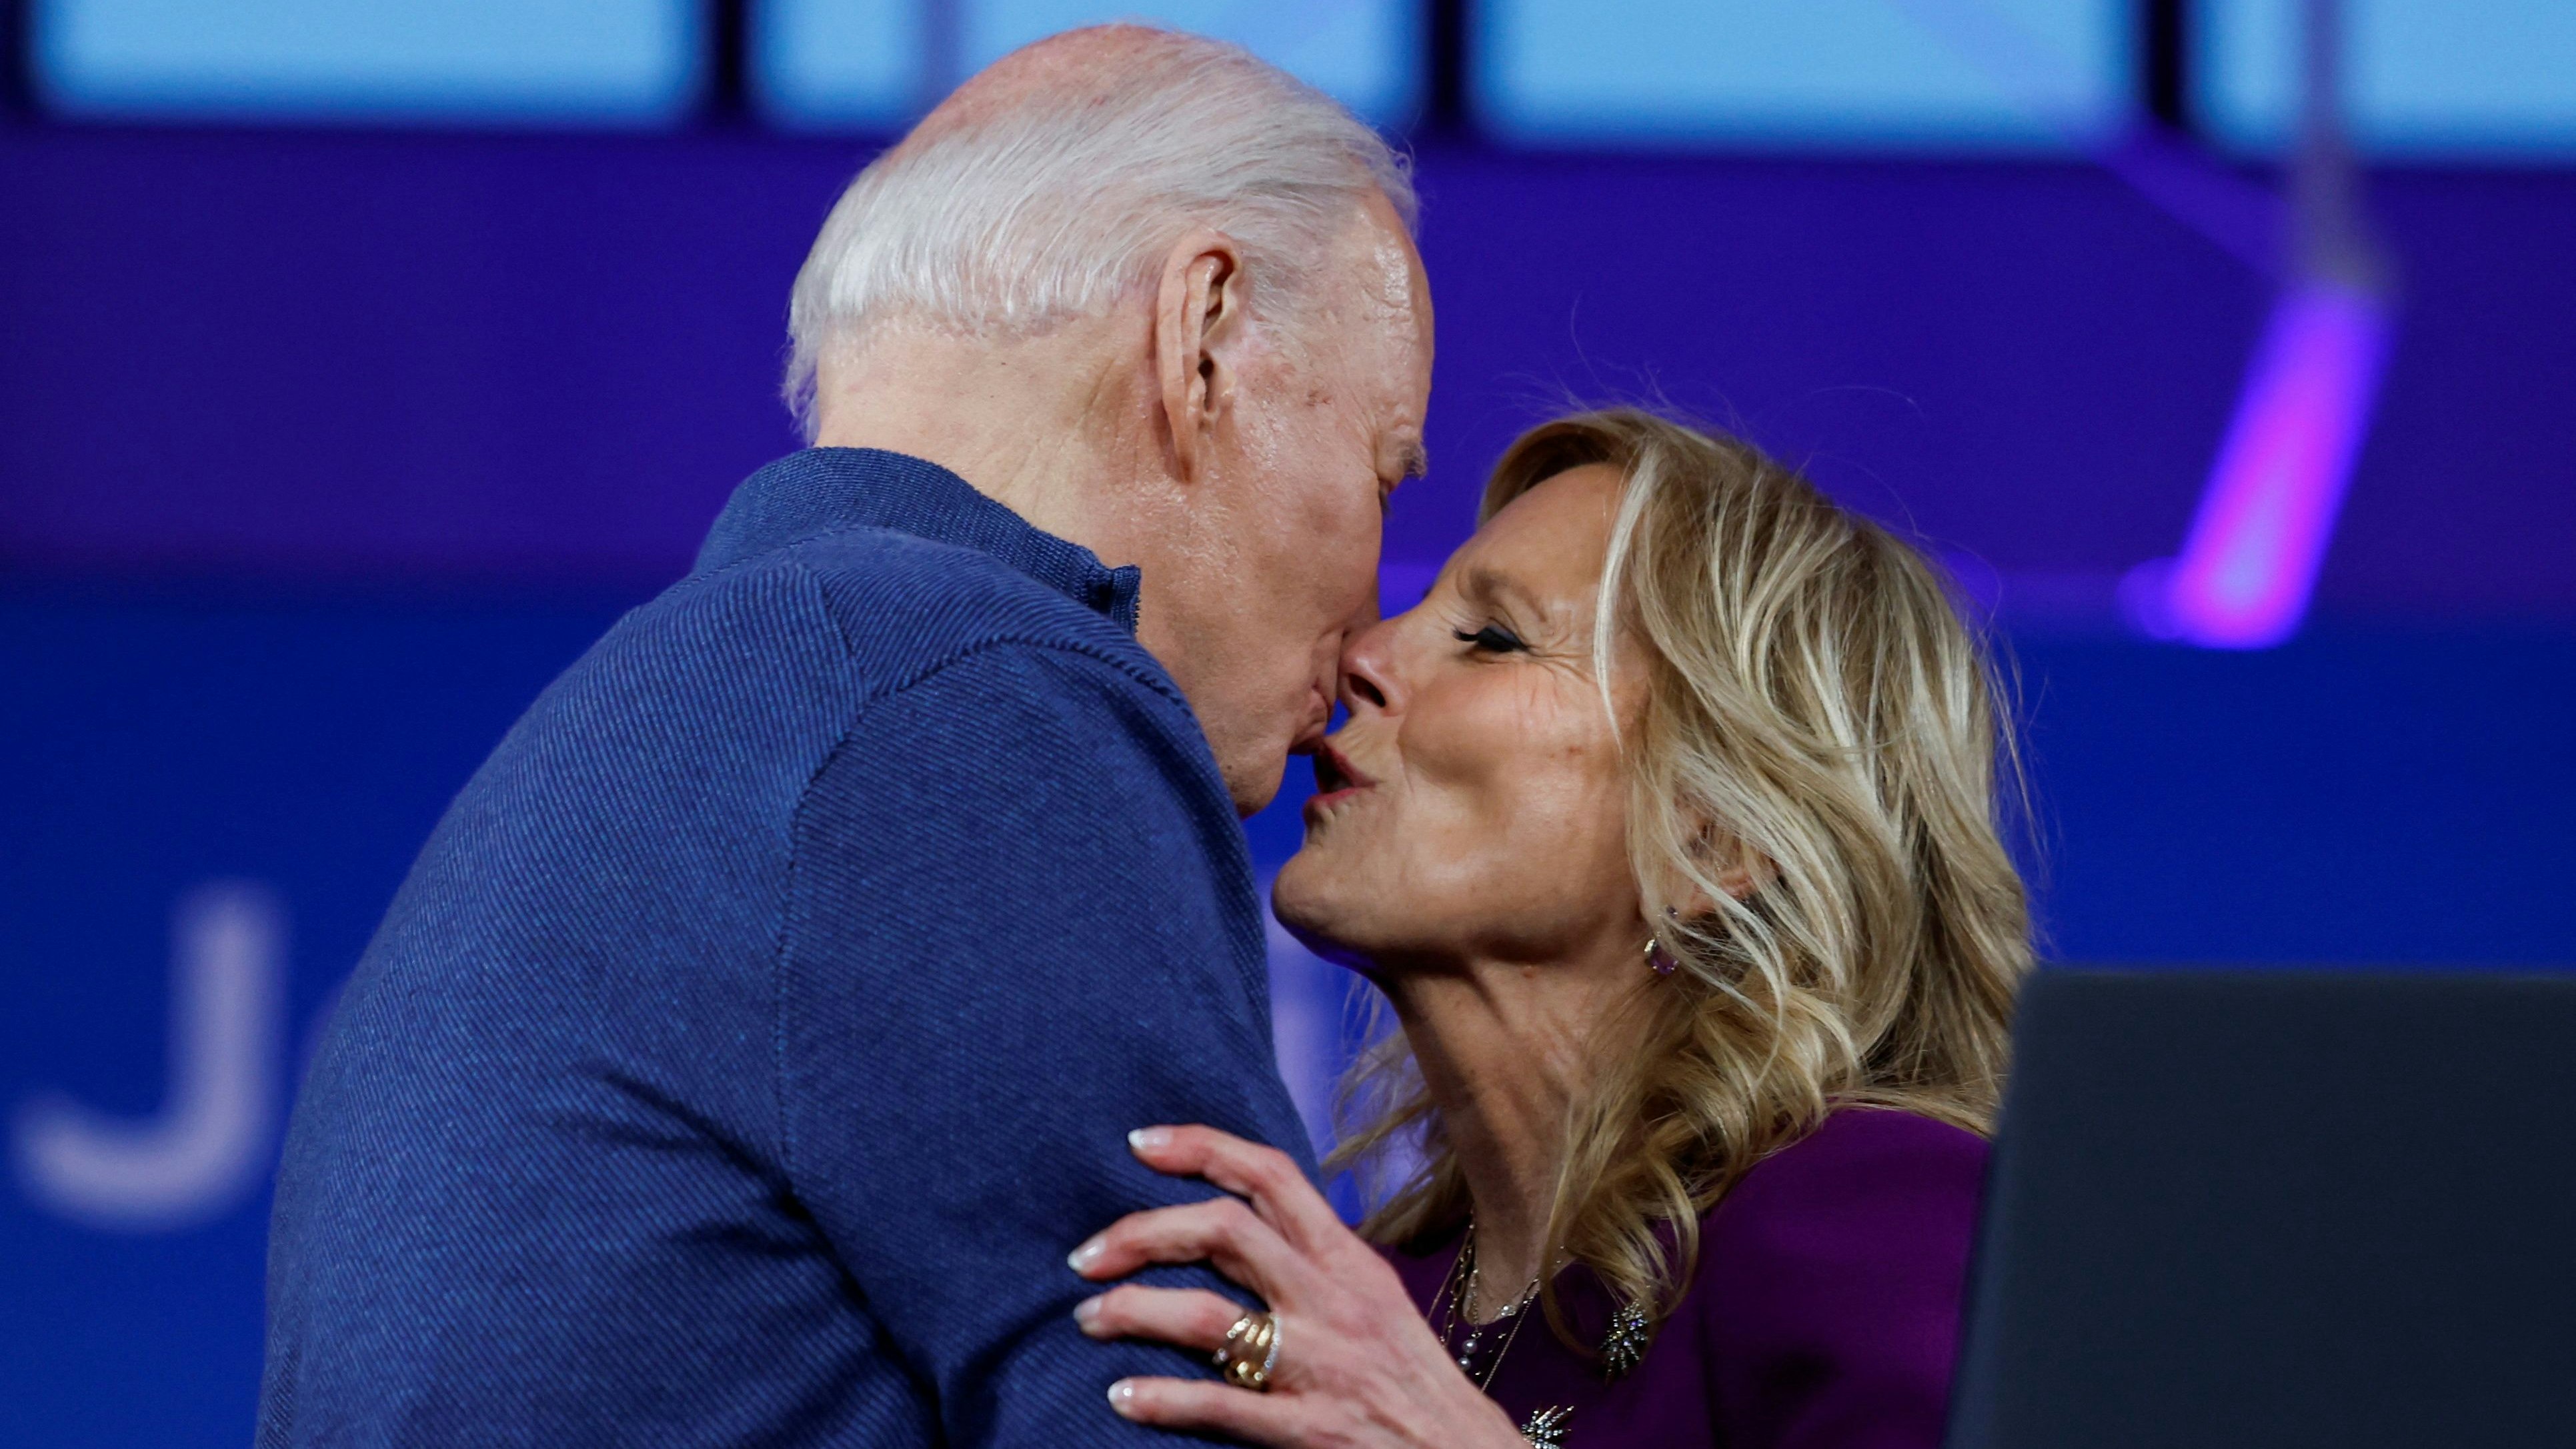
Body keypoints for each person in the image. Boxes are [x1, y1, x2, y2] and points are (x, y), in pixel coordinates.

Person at [256, 27, 1431, 1448]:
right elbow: (1197, 1428)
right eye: (1382, 470)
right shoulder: (973, 702)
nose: (1376, 622)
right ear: (1203, 338)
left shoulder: (673, 728)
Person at [1069, 409, 2032, 1448]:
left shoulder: (1865, 1217)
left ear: (1708, 838)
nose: (1366, 652)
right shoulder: (1373, 1305)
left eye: (1490, 638)